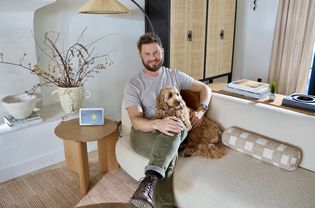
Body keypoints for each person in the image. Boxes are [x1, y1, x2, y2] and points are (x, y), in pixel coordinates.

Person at [123, 33, 211, 208]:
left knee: (176, 126)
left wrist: (201, 110)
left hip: (173, 129)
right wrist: (156, 123)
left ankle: (147, 183)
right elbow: (136, 121)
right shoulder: (134, 84)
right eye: (147, 54)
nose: (152, 58)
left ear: (162, 51)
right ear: (140, 55)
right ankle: (156, 188)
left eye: (155, 52)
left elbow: (205, 88)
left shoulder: (175, 75)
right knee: (168, 150)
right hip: (145, 132)